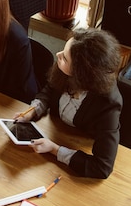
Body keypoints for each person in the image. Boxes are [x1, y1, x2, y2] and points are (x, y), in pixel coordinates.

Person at [14, 28, 123, 179]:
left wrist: (55, 150)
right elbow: (49, 90)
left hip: (77, 143)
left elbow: (102, 167)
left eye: (65, 58)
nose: (58, 55)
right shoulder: (63, 71)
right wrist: (34, 110)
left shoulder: (108, 105)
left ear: (81, 74)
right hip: (55, 130)